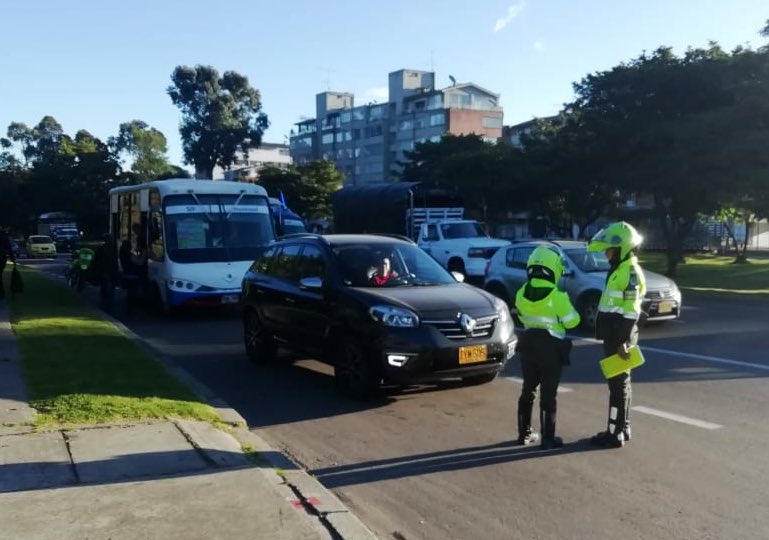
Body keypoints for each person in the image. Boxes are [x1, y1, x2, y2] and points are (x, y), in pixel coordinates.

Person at [586, 221, 646, 449]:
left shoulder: (629, 273)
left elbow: (631, 312)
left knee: (617, 386)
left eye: (609, 249)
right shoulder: (620, 270)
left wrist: (622, 341)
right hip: (616, 335)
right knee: (622, 384)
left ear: (621, 248)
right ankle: (624, 427)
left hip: (619, 337)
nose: (606, 252)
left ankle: (614, 433)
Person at [514, 246, 581, 449]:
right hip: (551, 348)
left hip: (528, 345)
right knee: (548, 394)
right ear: (553, 270)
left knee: (528, 389)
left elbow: (521, 315)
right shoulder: (557, 297)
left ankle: (523, 433)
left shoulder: (521, 292)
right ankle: (548, 438)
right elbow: (573, 322)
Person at [0, 227, 16, 300]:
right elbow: (9, 248)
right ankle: (1, 293)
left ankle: (1, 293)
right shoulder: (4, 236)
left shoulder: (4, 236)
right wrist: (12, 258)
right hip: (2, 258)